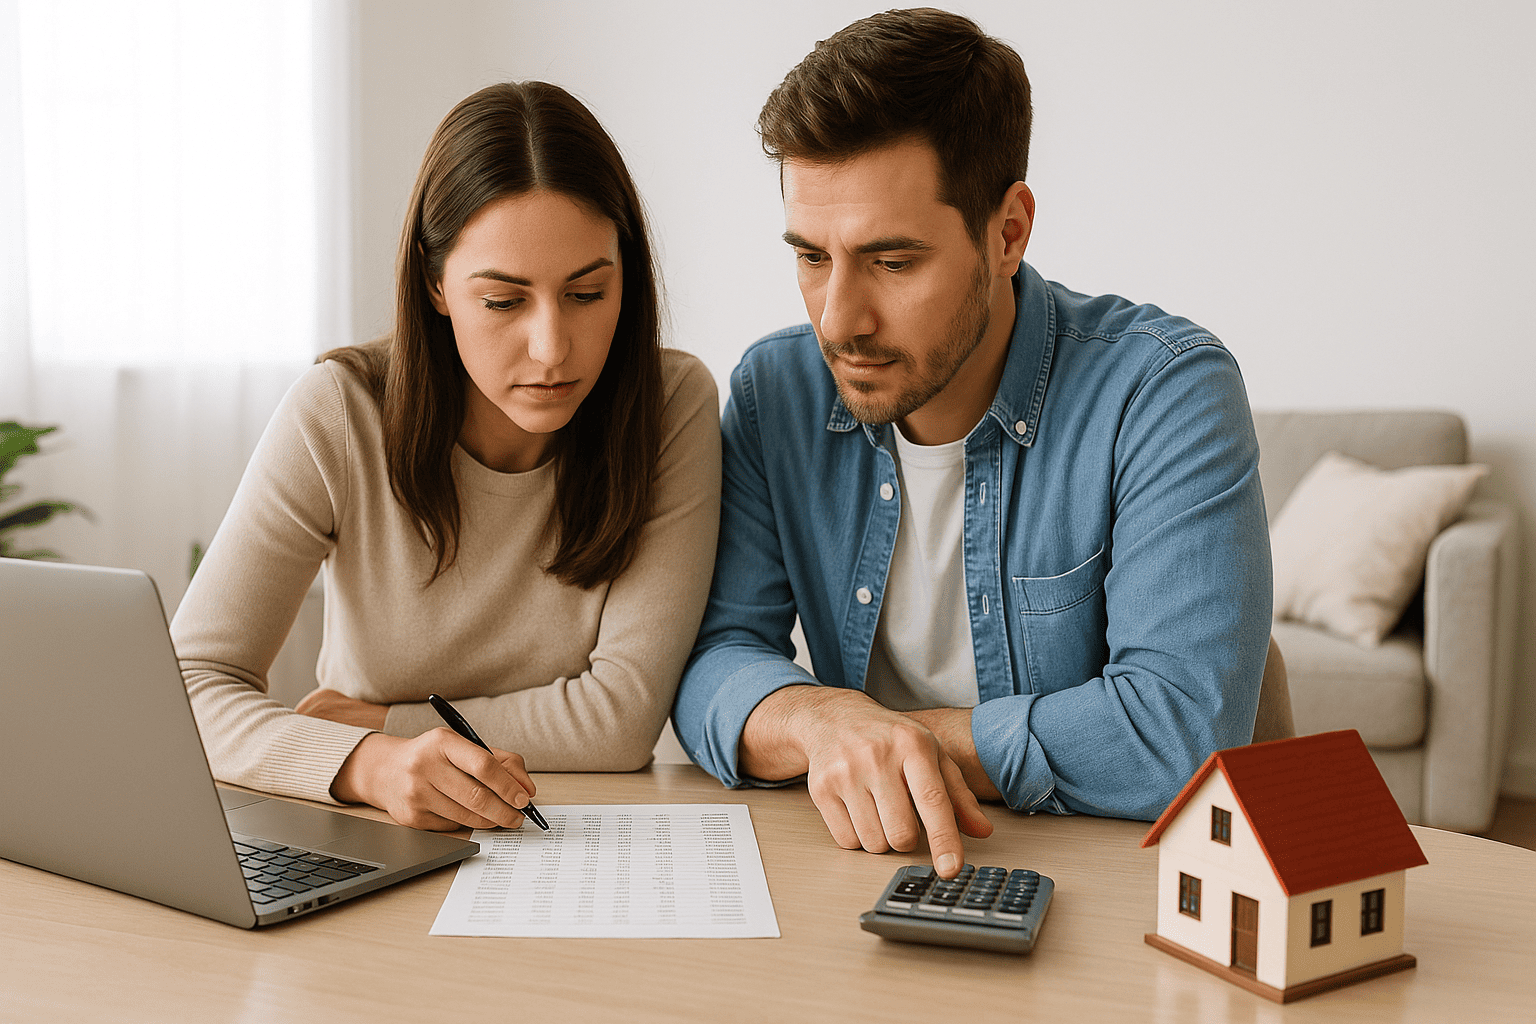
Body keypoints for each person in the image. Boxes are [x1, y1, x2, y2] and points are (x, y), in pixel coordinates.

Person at [672, 9, 1271, 878]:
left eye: (892, 262)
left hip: (1105, 880)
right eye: (811, 256)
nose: (838, 320)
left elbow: (1178, 733)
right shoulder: (778, 393)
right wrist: (823, 723)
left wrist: (892, 742)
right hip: (867, 863)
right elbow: (713, 660)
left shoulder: (1164, 391)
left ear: (1008, 232)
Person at [172, 82, 720, 832]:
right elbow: (189, 685)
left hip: (581, 830)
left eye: (588, 293)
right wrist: (368, 763)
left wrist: (378, 723)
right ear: (435, 285)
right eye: (503, 302)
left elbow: (620, 721)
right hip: (374, 825)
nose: (552, 348)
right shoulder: (340, 412)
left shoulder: (669, 405)